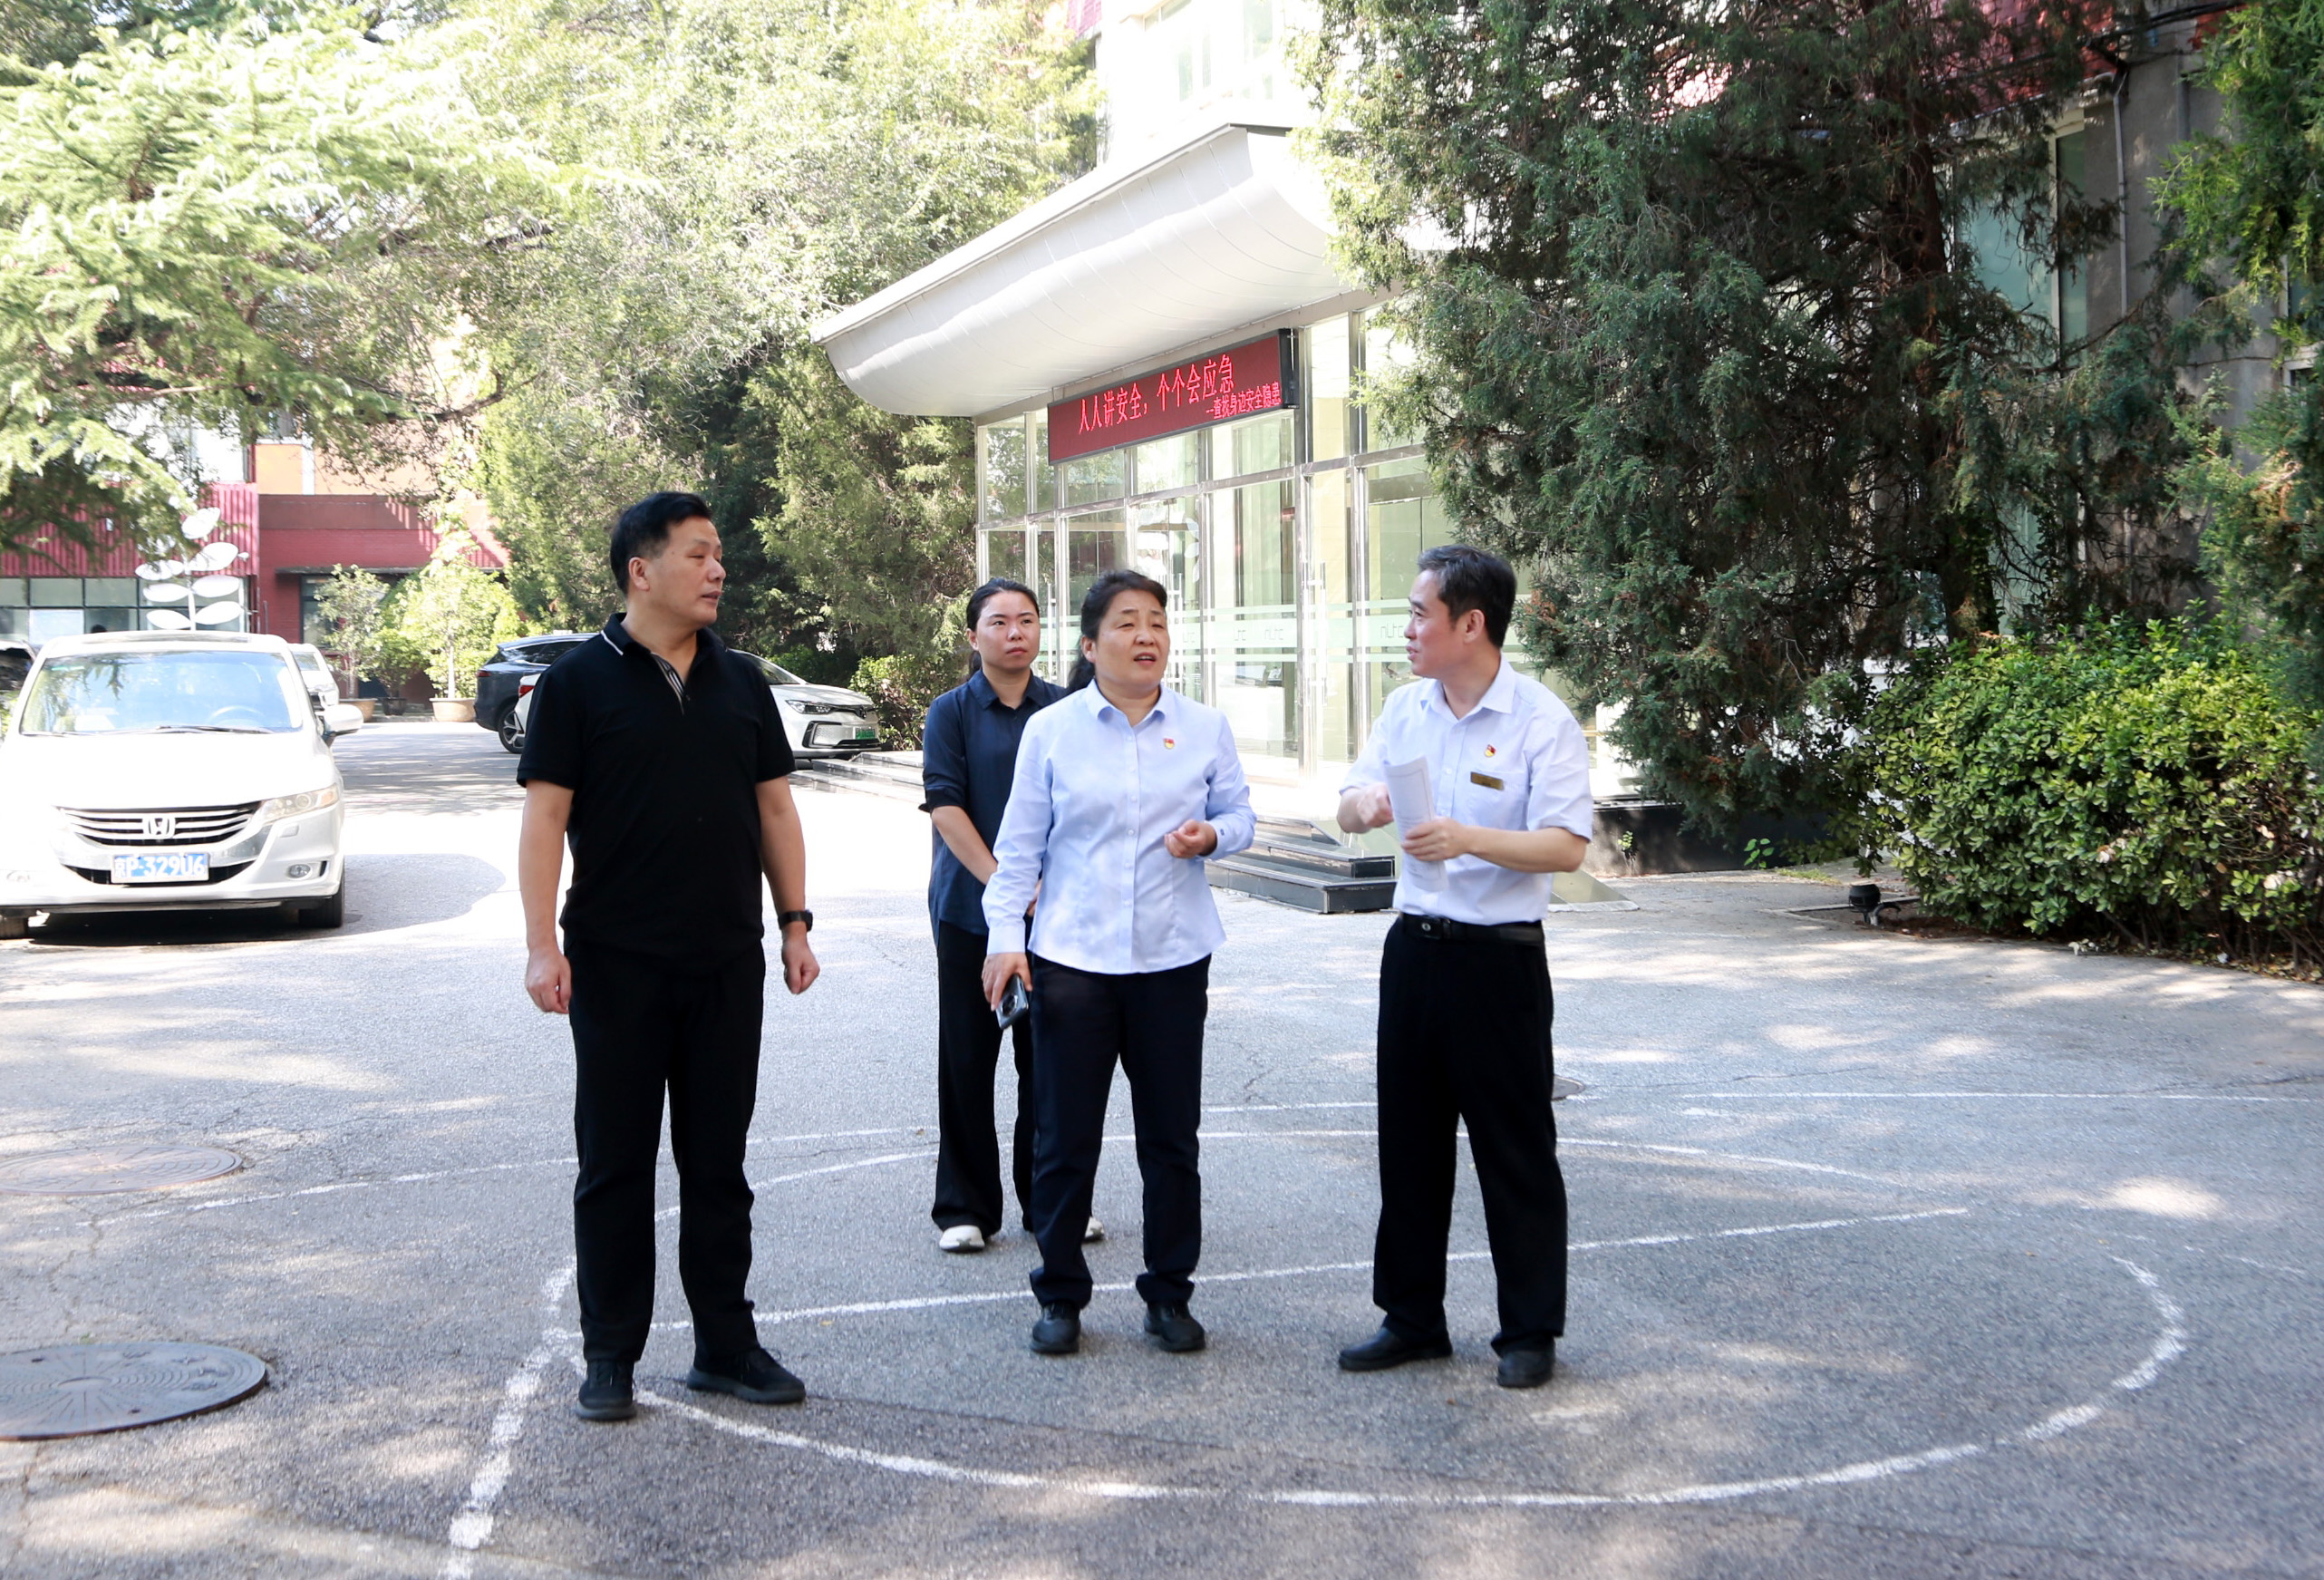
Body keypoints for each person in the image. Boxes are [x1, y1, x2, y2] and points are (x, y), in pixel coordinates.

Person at [516, 490, 822, 1423]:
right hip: (615, 963)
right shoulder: (577, 683)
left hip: (725, 961)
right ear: (640, 571)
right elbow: (545, 819)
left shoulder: (740, 681)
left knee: (718, 1164)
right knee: (614, 1164)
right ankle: (609, 1355)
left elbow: (775, 808)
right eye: (698, 553)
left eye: (718, 553)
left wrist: (794, 922)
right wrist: (540, 945)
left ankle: (725, 1345)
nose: (717, 569)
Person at [1332, 544, 1593, 1391]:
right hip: (1414, 952)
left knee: (1515, 1149)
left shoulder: (1540, 720)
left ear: (1471, 623)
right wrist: (1365, 804)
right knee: (1408, 1144)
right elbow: (1346, 807)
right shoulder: (1404, 709)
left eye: (1420, 613)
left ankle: (1529, 1330)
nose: (1408, 629)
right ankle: (1412, 1318)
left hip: (1499, 961)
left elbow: (1566, 845)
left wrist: (1468, 837)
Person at [980, 569, 1254, 1357]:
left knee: (1171, 1140)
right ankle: (1060, 1293)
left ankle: (1169, 1294)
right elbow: (1019, 849)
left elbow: (1240, 815)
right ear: (1091, 644)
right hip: (1073, 961)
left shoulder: (1203, 727)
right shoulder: (1053, 731)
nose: (1146, 636)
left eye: (1157, 622)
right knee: (1065, 1139)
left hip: (1172, 959)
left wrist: (1213, 836)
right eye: (1128, 622)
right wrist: (1004, 938)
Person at [918, 577, 1074, 1254]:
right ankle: (965, 1207)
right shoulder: (951, 712)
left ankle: (1052, 1203)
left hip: (1055, 915)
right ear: (973, 635)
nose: (1016, 632)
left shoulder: (1066, 709)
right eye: (1000, 621)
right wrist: (1009, 885)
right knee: (967, 1059)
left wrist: (1046, 889)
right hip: (969, 912)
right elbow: (947, 808)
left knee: (1051, 1063)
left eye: (1027, 620)